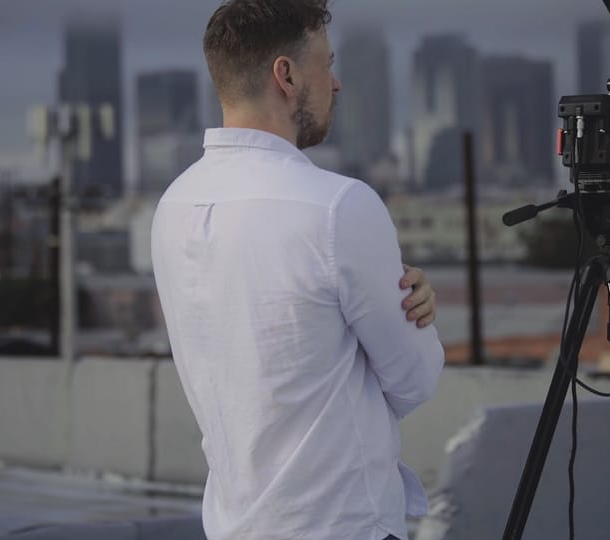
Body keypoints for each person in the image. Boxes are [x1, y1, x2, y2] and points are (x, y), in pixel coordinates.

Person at [150, 1, 445, 538]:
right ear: (285, 75)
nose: (336, 84)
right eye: (326, 65)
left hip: (233, 526)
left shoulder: (173, 205)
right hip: (342, 526)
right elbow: (416, 378)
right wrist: (416, 320)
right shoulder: (338, 207)